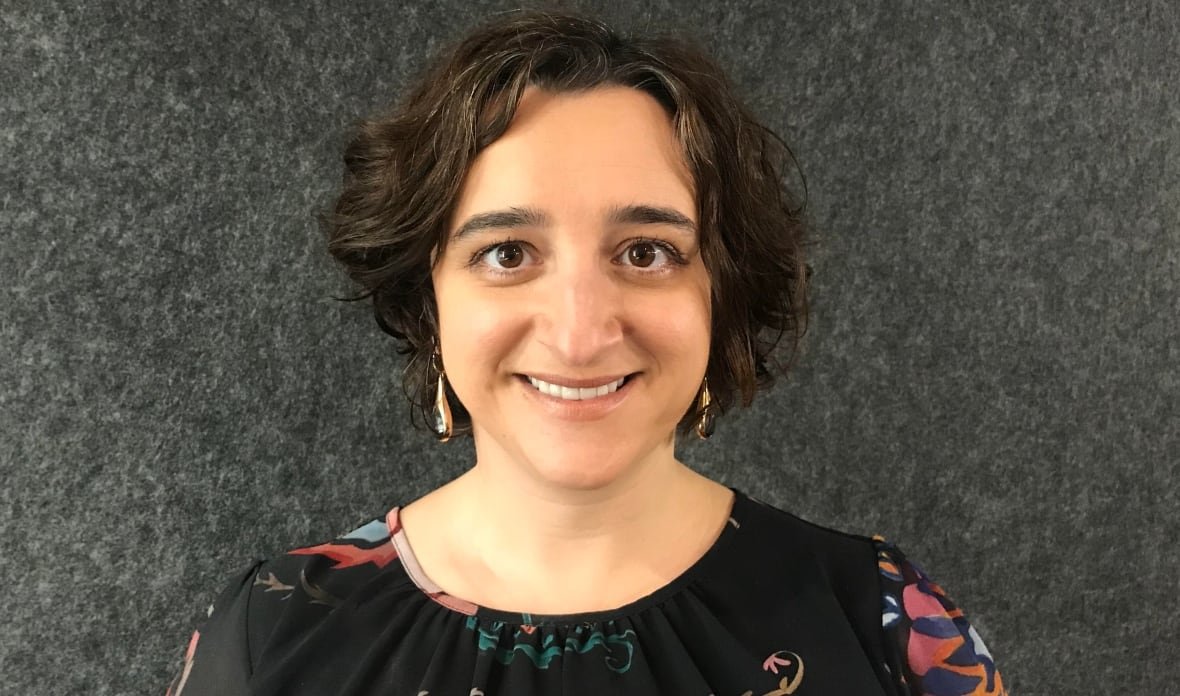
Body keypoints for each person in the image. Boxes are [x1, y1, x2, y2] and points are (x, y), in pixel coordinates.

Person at [168, 9, 1006, 696]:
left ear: (723, 289)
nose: (578, 332)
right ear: (429, 300)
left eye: (646, 252)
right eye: (507, 253)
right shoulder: (275, 634)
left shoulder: (882, 619)